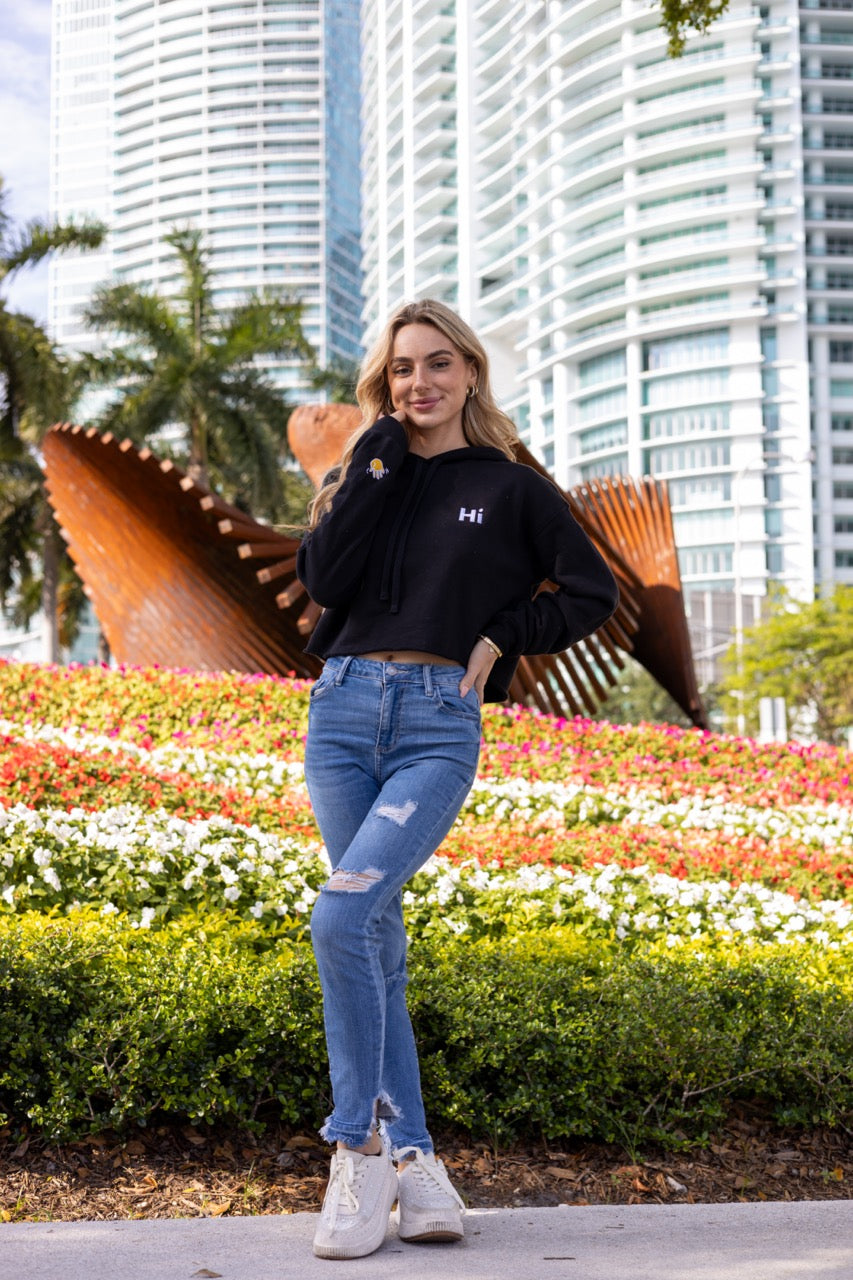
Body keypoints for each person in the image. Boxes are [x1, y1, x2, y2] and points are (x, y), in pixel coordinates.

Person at [295, 298, 618, 1260]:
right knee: (375, 934)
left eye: (437, 366)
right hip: (343, 713)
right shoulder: (373, 470)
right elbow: (323, 579)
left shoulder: (510, 489)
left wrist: (502, 636)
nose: (418, 384)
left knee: (344, 915)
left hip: (437, 723)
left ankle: (352, 1149)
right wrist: (376, 464)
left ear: (470, 373)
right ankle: (417, 1165)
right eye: (400, 370)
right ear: (382, 384)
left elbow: (589, 589)